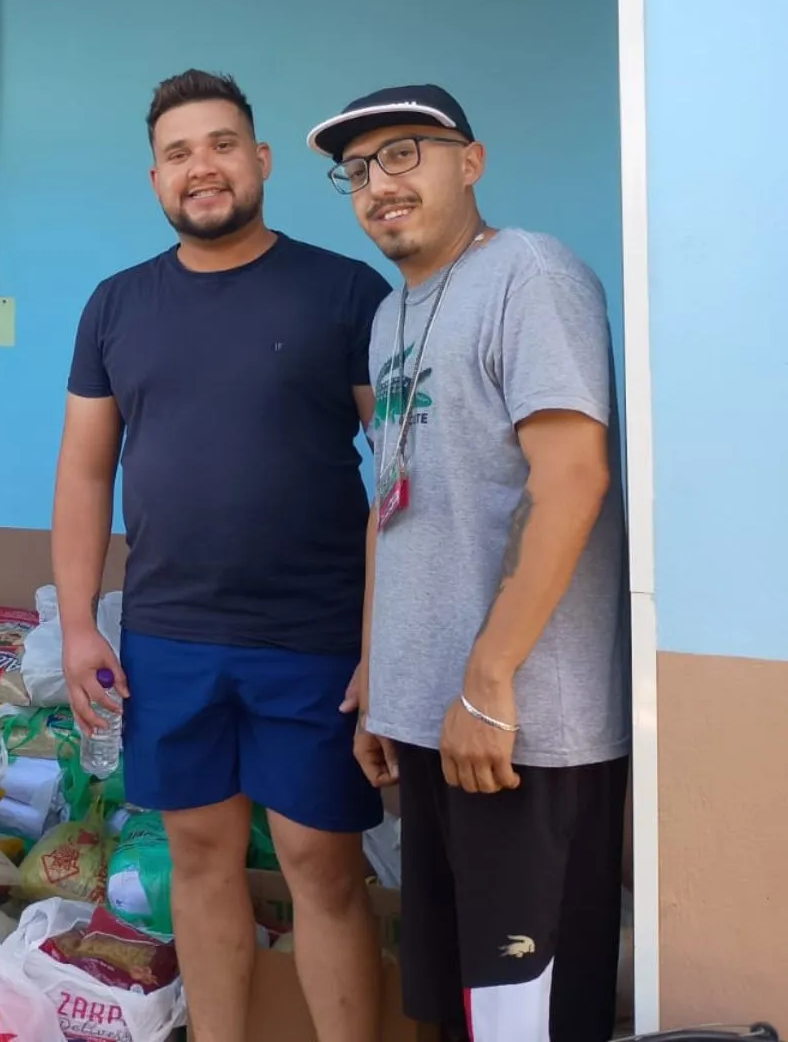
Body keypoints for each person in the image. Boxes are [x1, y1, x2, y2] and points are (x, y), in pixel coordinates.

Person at [52, 70, 393, 1042]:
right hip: (170, 634)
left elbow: (404, 479)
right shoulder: (116, 307)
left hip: (315, 638)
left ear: (263, 161)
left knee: (321, 867)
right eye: (179, 152)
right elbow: (84, 474)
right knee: (200, 860)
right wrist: (79, 625)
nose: (202, 167)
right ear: (156, 178)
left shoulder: (346, 293)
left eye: (222, 144)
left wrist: (386, 644)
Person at [311, 84, 629, 1041]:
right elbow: (395, 502)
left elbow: (572, 478)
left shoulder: (531, 273)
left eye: (404, 154)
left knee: (522, 1017)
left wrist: (488, 681)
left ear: (471, 161)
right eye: (358, 170)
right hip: (427, 716)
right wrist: (381, 674)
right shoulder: (395, 316)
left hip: (518, 727)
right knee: (452, 1007)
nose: (378, 185)